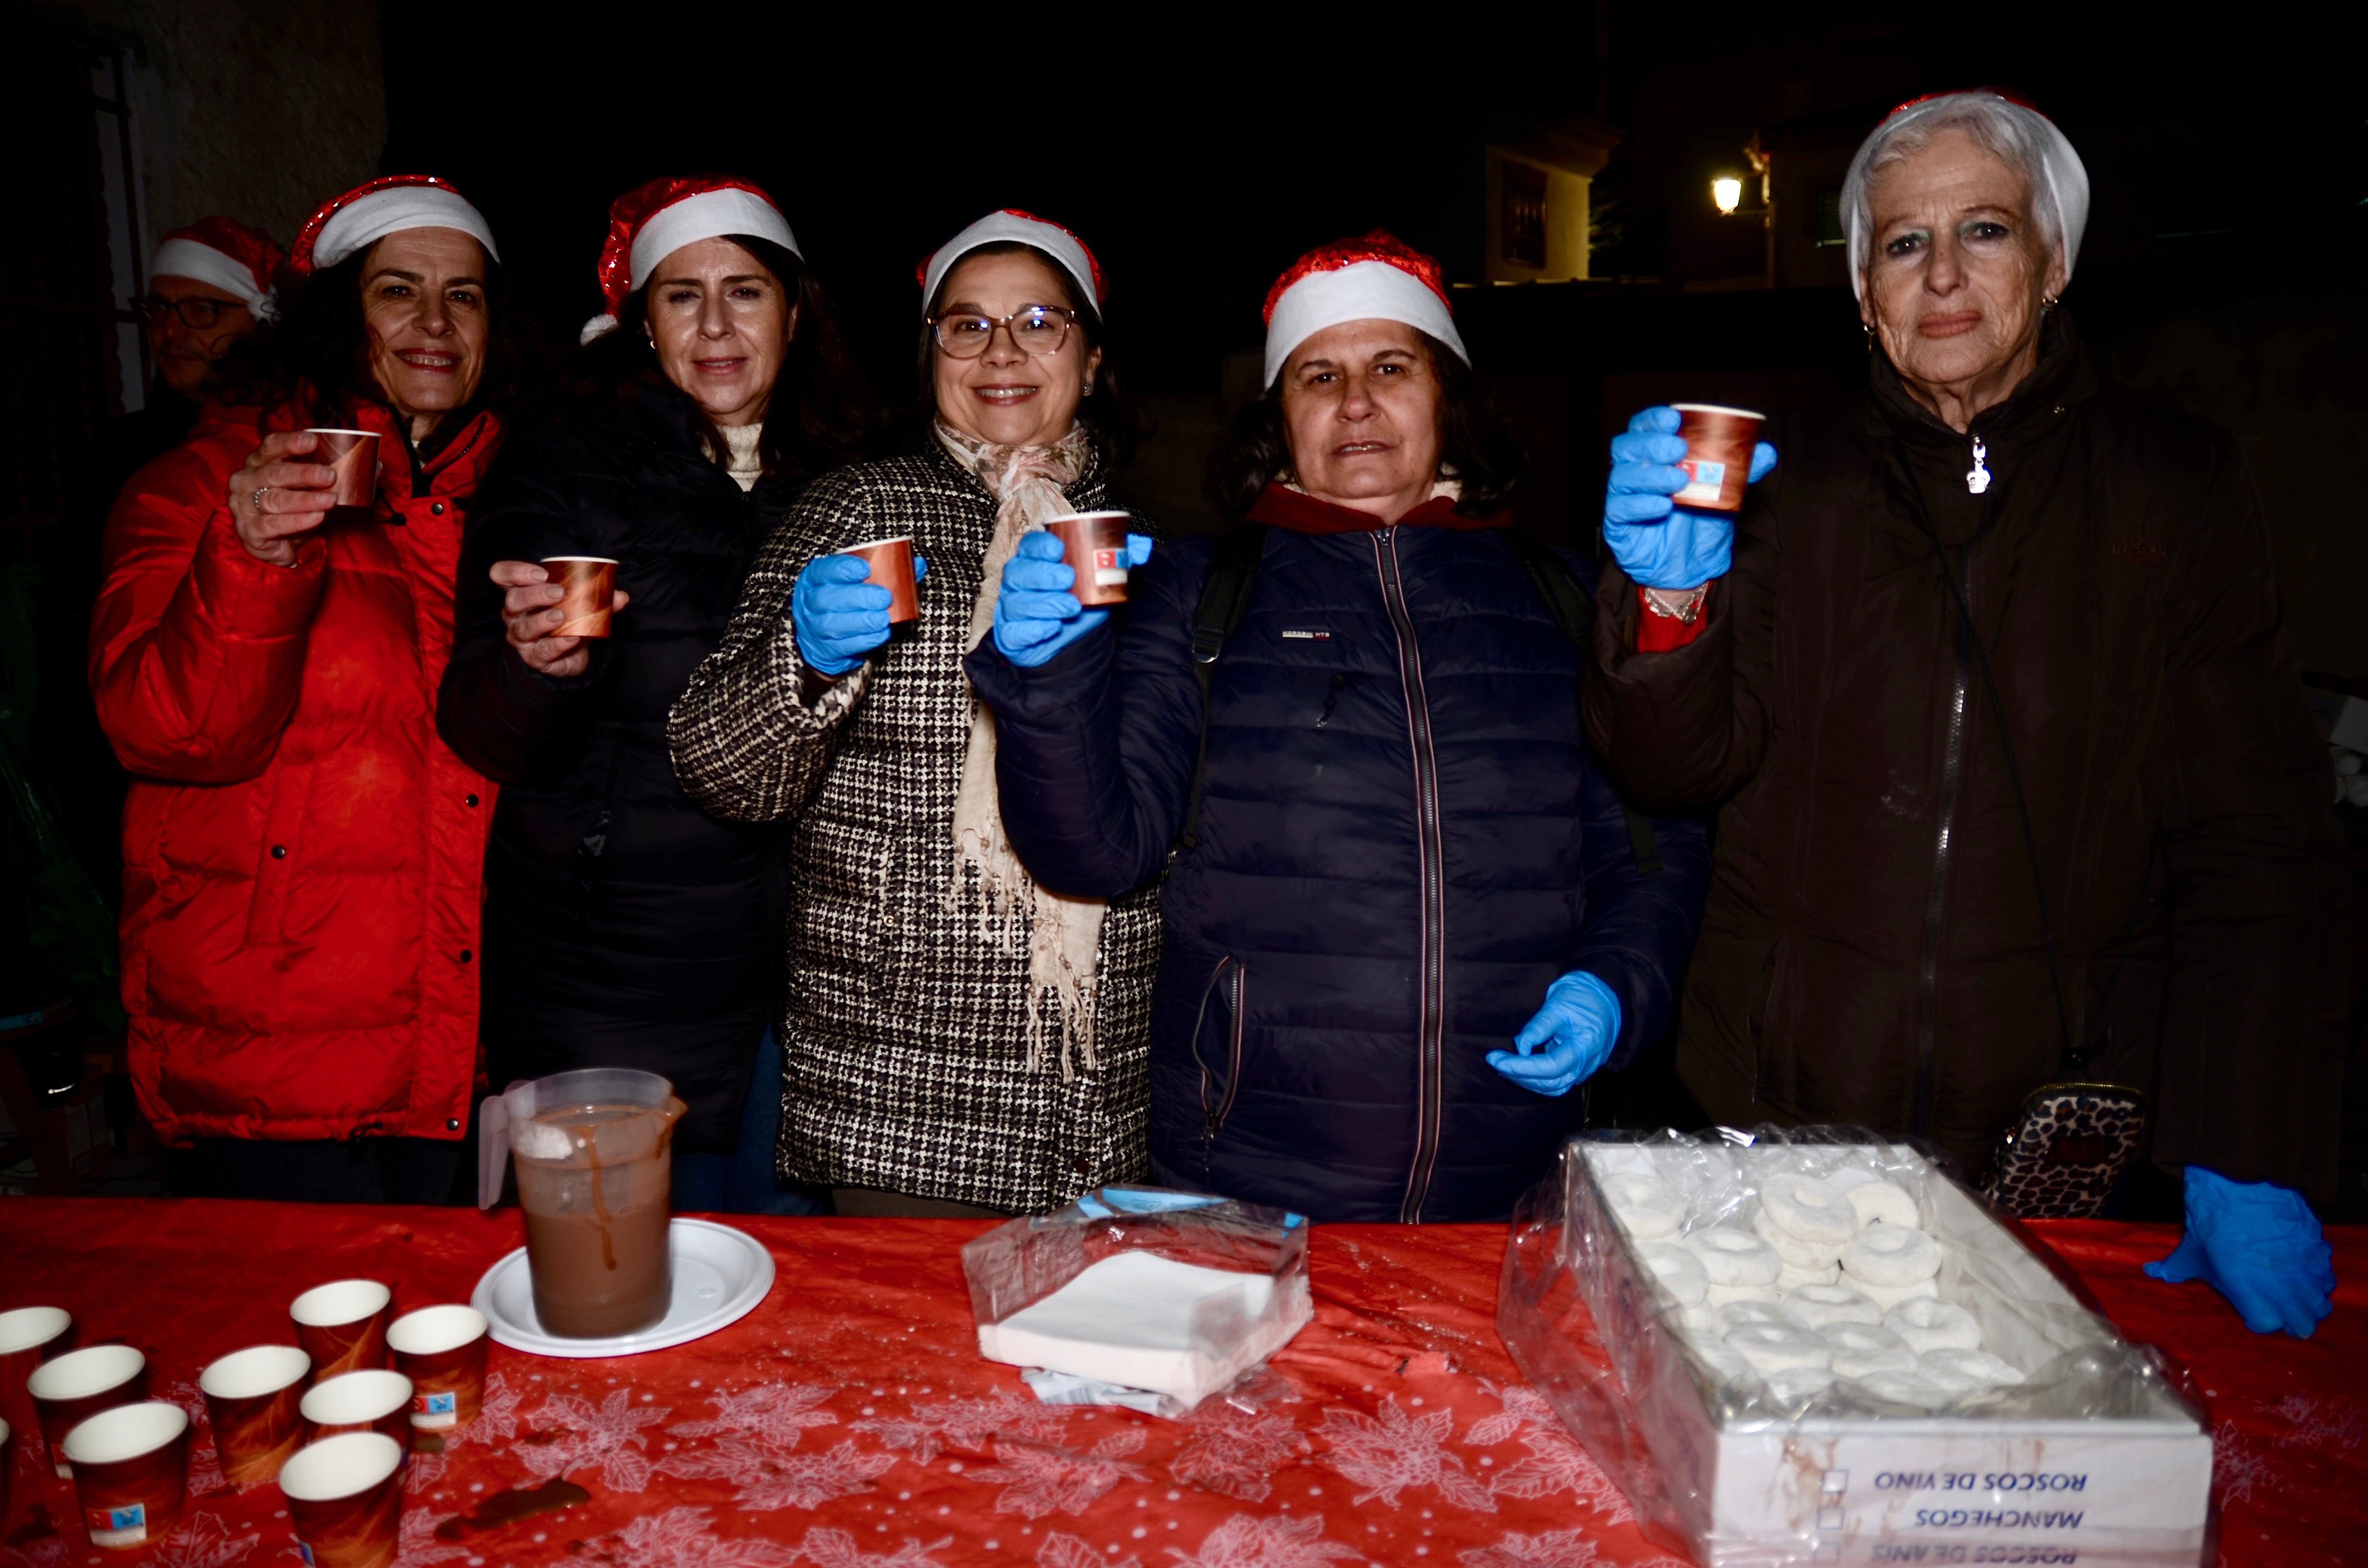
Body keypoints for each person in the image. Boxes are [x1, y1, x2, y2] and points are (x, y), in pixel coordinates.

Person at [1586, 91, 2346, 1334]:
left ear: (2053, 265)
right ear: (1864, 296)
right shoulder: (1791, 493)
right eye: (1901, 244)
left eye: (1983, 231)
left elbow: (2257, 839)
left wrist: (2246, 1140)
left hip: (2060, 1147)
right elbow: (1671, 770)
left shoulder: (2174, 488)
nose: (1941, 275)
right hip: (1777, 1131)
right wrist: (1669, 596)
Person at [963, 233, 1711, 1223]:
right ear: (1281, 420)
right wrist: (1046, 677)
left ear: (1447, 396)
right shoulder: (1199, 595)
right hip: (1252, 1180)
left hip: (1515, 1183)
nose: (1355, 402)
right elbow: (1092, 852)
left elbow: (1654, 847)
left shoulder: (1566, 598)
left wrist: (1617, 987)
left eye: (1390, 367)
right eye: (1320, 375)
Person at [669, 210, 1159, 1216]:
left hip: (1102, 1089)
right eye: (965, 326)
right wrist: (803, 660)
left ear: (1094, 352)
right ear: (930, 352)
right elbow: (716, 766)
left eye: (1038, 321)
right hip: (899, 1089)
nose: (1002, 353)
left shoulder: (1144, 547)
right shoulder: (859, 511)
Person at [437, 176, 873, 1213]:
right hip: (610, 978)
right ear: (642, 321)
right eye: (682, 297)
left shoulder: (848, 476)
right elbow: (479, 724)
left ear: (796, 311)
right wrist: (533, 670)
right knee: (612, 1285)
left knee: (783, 1299)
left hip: (807, 984)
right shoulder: (565, 462)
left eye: (746, 292)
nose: (716, 326)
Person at [90, 176, 523, 1202]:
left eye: (463, 296)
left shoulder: (504, 497)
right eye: (398, 291)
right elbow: (172, 734)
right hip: (274, 1048)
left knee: (450, 1347)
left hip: (460, 1043)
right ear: (337, 314)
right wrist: (250, 554)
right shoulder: (199, 485)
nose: (433, 322)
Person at [29, 218, 285, 899]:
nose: (174, 330)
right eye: (160, 309)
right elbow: (71, 608)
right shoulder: (119, 454)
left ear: (261, 320)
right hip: (109, 751)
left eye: (203, 309)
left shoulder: (287, 452)